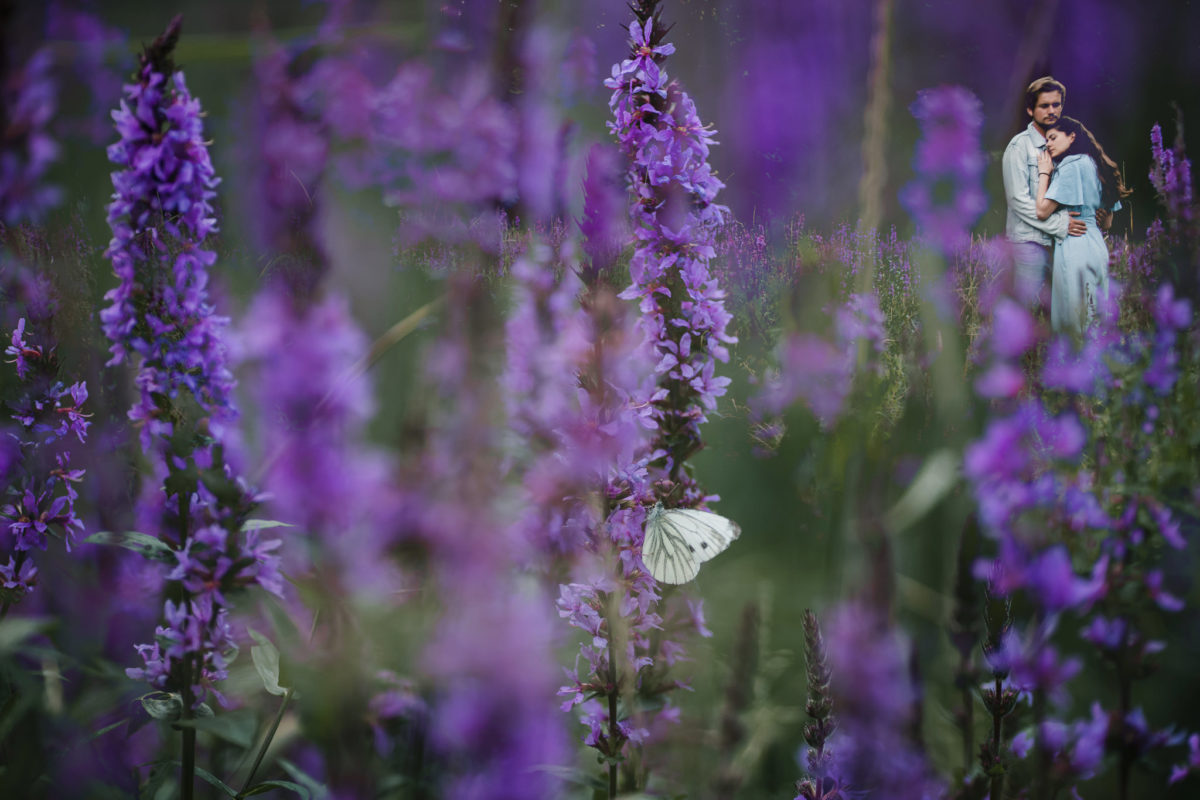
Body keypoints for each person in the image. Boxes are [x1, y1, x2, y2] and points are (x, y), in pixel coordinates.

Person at [1002, 77, 1095, 304]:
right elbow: (1018, 201)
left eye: (1056, 105)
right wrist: (1060, 224)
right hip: (1029, 245)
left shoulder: (1063, 144)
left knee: (1060, 315)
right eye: (1044, 106)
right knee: (1026, 311)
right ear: (1030, 109)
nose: (1052, 111)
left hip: (1061, 245)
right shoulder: (1019, 147)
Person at [1035, 115, 1130, 333]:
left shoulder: (1070, 166)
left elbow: (1042, 211)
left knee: (1074, 320)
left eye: (1052, 137)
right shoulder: (1096, 166)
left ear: (1071, 137)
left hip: (1074, 245)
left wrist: (1044, 173)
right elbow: (1107, 222)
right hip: (1096, 244)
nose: (1048, 144)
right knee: (1096, 317)